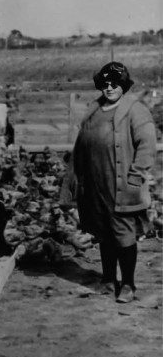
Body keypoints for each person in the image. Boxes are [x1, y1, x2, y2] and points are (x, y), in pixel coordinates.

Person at [71, 61, 157, 303]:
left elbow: (147, 145)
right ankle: (108, 280)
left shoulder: (135, 110)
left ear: (124, 86)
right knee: (103, 232)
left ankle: (128, 284)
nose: (109, 88)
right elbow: (81, 145)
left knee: (123, 234)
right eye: (105, 84)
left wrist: (135, 175)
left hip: (121, 186)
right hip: (96, 185)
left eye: (115, 84)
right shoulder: (94, 110)